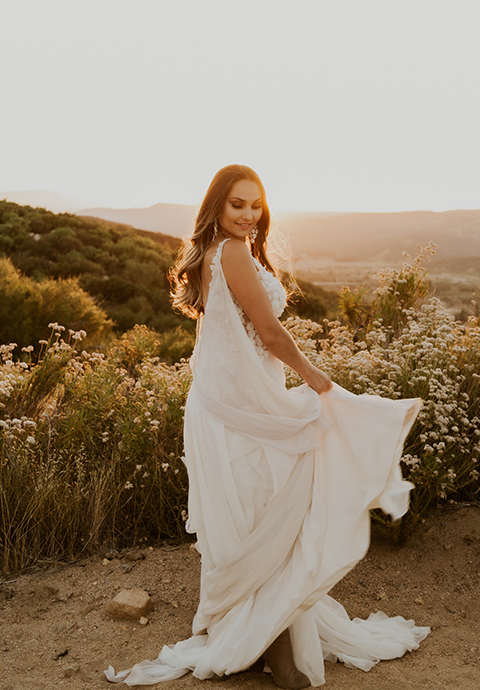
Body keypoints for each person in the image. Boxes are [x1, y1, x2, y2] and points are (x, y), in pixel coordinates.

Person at [106, 164, 430, 688]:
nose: (250, 215)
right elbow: (270, 333)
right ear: (217, 206)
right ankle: (279, 661)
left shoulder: (216, 251)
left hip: (229, 406)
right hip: (239, 413)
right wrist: (318, 379)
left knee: (252, 521)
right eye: (238, 204)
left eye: (256, 205)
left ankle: (255, 638)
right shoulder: (231, 252)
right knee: (265, 523)